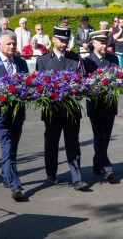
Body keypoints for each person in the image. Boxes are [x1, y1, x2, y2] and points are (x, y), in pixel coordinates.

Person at [36, 26, 89, 191]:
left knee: (73, 143)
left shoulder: (75, 58)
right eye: (61, 40)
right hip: (52, 111)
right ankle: (51, 174)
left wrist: (79, 91)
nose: (64, 44)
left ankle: (76, 177)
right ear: (53, 39)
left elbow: (83, 80)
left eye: (66, 40)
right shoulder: (43, 60)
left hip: (71, 111)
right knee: (51, 144)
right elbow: (39, 86)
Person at [0, 30, 29, 200]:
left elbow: (28, 84)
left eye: (14, 43)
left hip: (17, 113)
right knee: (8, 144)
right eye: (9, 44)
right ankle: (15, 185)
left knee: (13, 146)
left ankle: (6, 174)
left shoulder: (20, 63)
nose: (12, 46)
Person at [84, 30, 119, 182]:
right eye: (101, 42)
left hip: (110, 105)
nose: (105, 45)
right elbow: (85, 82)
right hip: (96, 105)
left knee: (107, 135)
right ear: (93, 43)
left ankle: (97, 164)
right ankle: (105, 164)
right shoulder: (86, 61)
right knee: (99, 135)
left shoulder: (113, 58)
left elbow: (119, 77)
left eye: (106, 42)